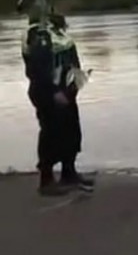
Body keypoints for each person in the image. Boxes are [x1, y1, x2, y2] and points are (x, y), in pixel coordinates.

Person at [21, 11, 94, 196]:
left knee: (71, 131)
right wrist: (53, 92)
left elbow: (70, 60)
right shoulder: (39, 34)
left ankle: (69, 173)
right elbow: (38, 68)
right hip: (48, 92)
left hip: (66, 89)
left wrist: (76, 82)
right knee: (51, 133)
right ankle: (46, 180)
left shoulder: (59, 33)